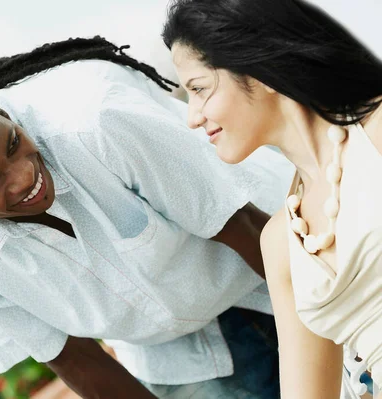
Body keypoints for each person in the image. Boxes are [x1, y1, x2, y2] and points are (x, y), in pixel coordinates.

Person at [0, 35, 293, 398]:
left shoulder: (97, 123)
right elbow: (72, 357)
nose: (24, 176)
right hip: (179, 356)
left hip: (278, 271)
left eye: (12, 143)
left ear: (3, 112)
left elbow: (247, 229)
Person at [162, 1, 382, 398]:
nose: (192, 116)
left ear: (258, 71)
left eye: (198, 89)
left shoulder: (378, 134)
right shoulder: (281, 241)